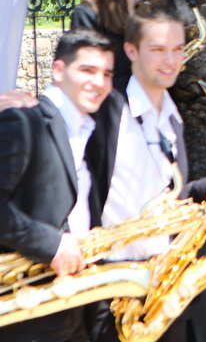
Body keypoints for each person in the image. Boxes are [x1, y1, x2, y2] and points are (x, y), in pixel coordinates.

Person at [86, 2, 206, 342]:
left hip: (160, 281)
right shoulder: (107, 110)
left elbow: (166, 197)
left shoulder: (172, 116)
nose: (171, 60)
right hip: (112, 283)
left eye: (177, 49)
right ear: (130, 50)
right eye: (158, 50)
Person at [0, 29, 115, 341]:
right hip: (27, 317)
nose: (100, 82)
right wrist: (51, 244)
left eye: (106, 73)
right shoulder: (24, 121)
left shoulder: (89, 131)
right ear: (59, 70)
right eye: (87, 70)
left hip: (72, 308)